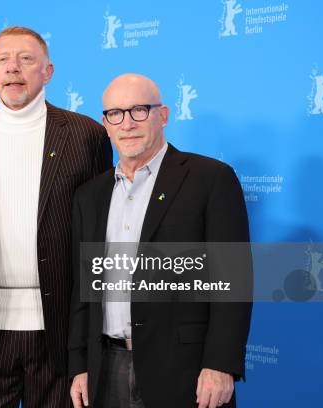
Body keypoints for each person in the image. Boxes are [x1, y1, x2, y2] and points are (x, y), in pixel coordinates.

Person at [0, 26, 113, 407]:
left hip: (59, 332)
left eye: (26, 59)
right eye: (3, 61)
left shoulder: (87, 136)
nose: (14, 69)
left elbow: (99, 244)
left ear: (48, 71)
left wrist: (94, 335)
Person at [68, 74, 252, 408]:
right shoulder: (90, 195)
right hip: (106, 368)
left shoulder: (210, 179)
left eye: (139, 110)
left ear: (163, 115)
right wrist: (80, 366)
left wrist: (221, 364)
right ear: (105, 124)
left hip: (186, 370)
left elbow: (233, 283)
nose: (127, 123)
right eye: (115, 114)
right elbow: (85, 290)